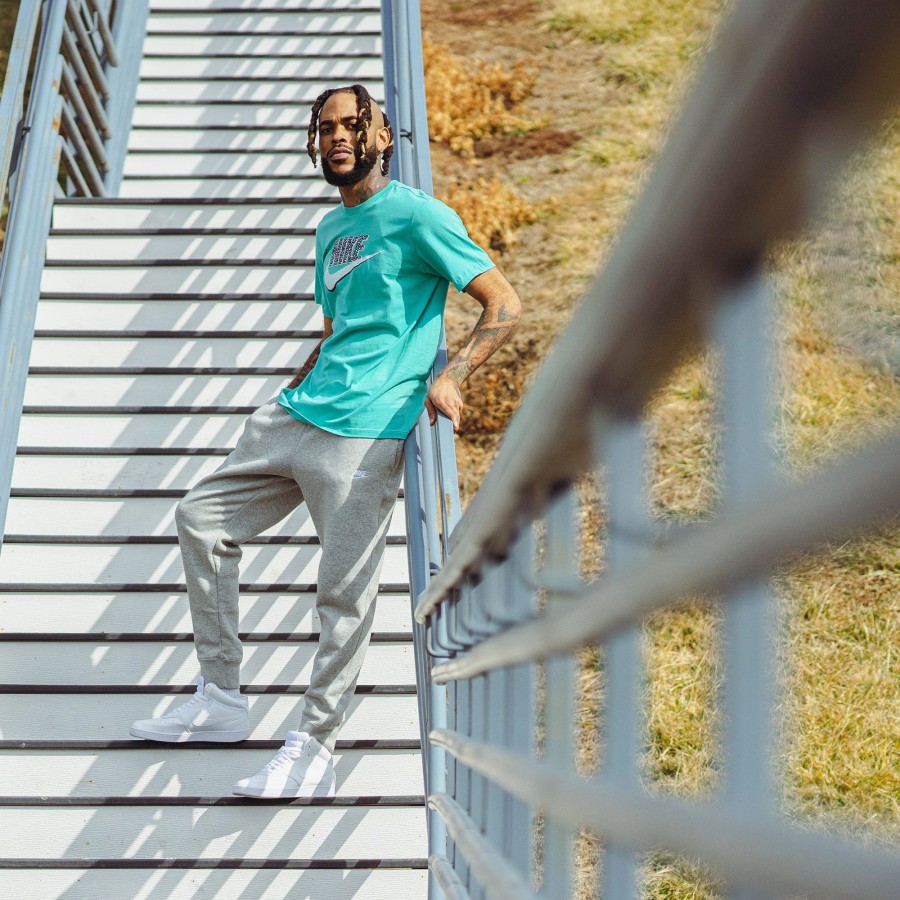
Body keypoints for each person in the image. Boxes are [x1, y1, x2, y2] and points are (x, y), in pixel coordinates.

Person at [130, 84, 522, 799]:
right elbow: (337, 325)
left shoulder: (416, 214)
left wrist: (452, 373)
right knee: (199, 518)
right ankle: (220, 698)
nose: (338, 136)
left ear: (381, 135)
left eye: (351, 124)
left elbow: (503, 300)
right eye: (325, 128)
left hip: (366, 432)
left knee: (342, 593)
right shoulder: (328, 231)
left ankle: (314, 742)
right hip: (298, 416)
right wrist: (291, 388)